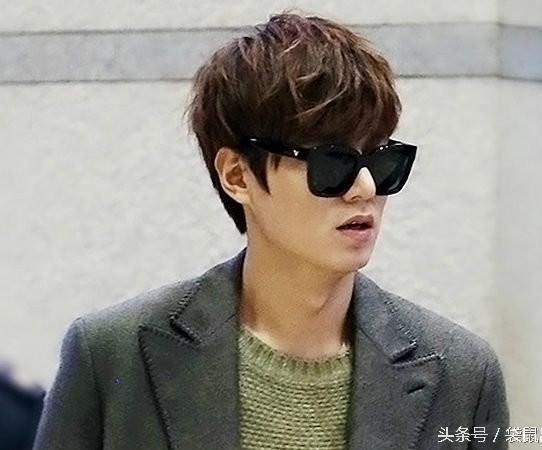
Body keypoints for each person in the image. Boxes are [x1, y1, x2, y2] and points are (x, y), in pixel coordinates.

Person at [33, 12, 509, 450]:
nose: (365, 188)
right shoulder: (112, 356)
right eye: (331, 163)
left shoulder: (462, 375)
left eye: (382, 161)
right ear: (237, 176)